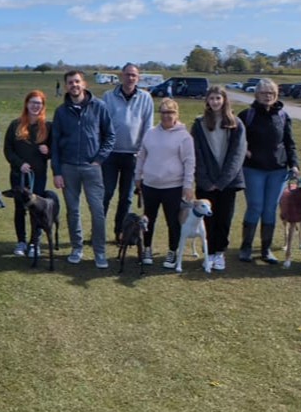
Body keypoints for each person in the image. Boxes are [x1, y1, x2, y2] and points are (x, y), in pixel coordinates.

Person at [51, 70, 115, 269]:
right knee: (73, 211)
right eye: (70, 82)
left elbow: (110, 136)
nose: (74, 85)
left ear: (84, 84)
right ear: (66, 86)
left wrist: (99, 159)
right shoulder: (61, 112)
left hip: (92, 168)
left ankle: (99, 251)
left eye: (77, 81)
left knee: (97, 211)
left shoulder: (99, 107)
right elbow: (55, 144)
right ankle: (76, 247)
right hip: (68, 168)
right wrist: (57, 171)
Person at [237, 79, 298, 264]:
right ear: (256, 94)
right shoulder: (246, 115)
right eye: (264, 92)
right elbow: (235, 139)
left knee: (270, 208)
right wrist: (244, 150)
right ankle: (246, 247)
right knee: (255, 206)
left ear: (276, 95)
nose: (267, 96)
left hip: (277, 170)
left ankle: (266, 249)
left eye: (271, 93)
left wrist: (294, 165)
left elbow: (289, 143)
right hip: (253, 168)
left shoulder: (283, 116)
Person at [190, 85, 246, 271]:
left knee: (224, 219)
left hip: (227, 183)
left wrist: (222, 182)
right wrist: (206, 181)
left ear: (224, 100)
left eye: (218, 98)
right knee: (208, 220)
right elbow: (196, 154)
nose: (215, 102)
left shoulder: (236, 124)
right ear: (207, 100)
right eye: (211, 98)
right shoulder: (199, 124)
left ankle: (220, 253)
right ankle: (209, 252)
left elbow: (237, 155)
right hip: (206, 182)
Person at [134, 98, 195, 269]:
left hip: (173, 187)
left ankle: (172, 251)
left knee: (173, 221)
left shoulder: (184, 137)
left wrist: (188, 185)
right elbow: (142, 156)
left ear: (177, 114)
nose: (167, 116)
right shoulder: (150, 133)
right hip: (150, 185)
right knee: (148, 219)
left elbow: (189, 162)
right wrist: (137, 176)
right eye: (164, 112)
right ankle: (147, 248)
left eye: (171, 112)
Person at [102, 63, 154, 244]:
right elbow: (103, 124)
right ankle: (98, 231)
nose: (130, 78)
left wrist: (143, 151)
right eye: (127, 74)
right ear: (121, 76)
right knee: (106, 193)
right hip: (111, 154)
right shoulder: (108, 96)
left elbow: (148, 126)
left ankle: (121, 232)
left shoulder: (146, 98)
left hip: (133, 155)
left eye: (134, 75)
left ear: (138, 78)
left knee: (127, 197)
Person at [4, 90, 52, 256]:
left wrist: (48, 151)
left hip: (38, 175)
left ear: (43, 106)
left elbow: (55, 151)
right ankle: (21, 241)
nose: (35, 106)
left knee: (37, 209)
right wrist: (20, 164)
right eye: (32, 102)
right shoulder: (15, 125)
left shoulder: (48, 127)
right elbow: (8, 149)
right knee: (20, 208)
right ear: (26, 104)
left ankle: (34, 243)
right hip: (19, 175)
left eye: (39, 103)